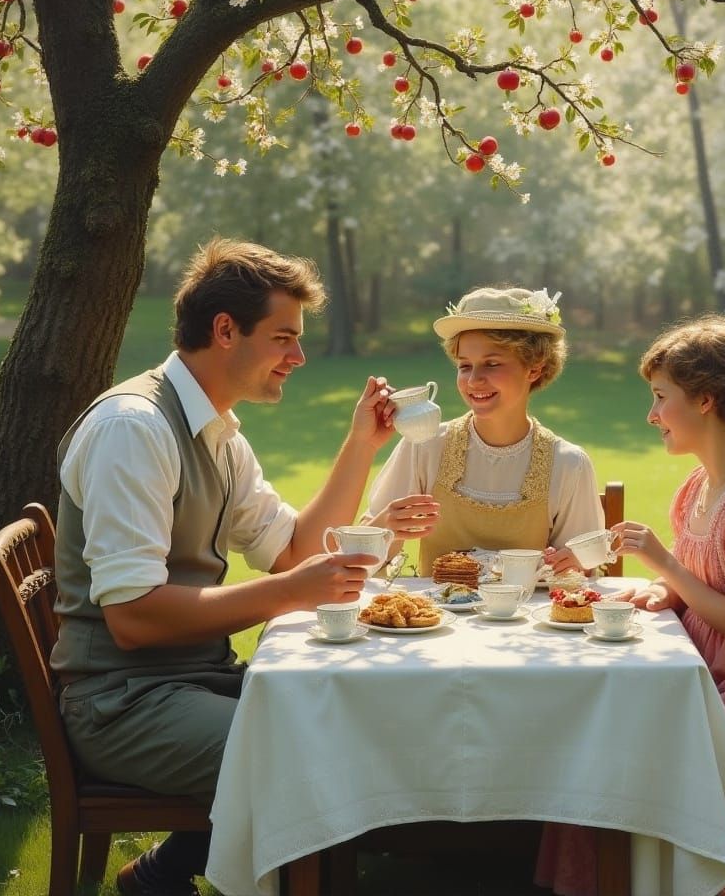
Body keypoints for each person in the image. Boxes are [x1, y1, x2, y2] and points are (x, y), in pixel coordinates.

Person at [50, 238, 433, 896]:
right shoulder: (133, 430)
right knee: (313, 750)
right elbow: (134, 618)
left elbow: (291, 551)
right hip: (121, 706)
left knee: (351, 717)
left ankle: (165, 873)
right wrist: (289, 593)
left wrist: (360, 444)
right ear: (226, 330)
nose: (299, 356)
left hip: (191, 682)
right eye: (284, 337)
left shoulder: (218, 430)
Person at [537, 314, 725, 896]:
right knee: (593, 736)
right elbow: (704, 584)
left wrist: (664, 564)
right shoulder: (703, 486)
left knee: (612, 753)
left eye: (659, 398)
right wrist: (652, 593)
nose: (651, 415)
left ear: (704, 400)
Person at [364, 285, 603, 576]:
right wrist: (387, 530)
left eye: (491, 364)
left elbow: (580, 579)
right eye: (465, 366)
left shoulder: (568, 464)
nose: (474, 380)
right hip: (436, 620)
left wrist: (573, 565)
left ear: (534, 369)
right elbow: (365, 561)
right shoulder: (424, 446)